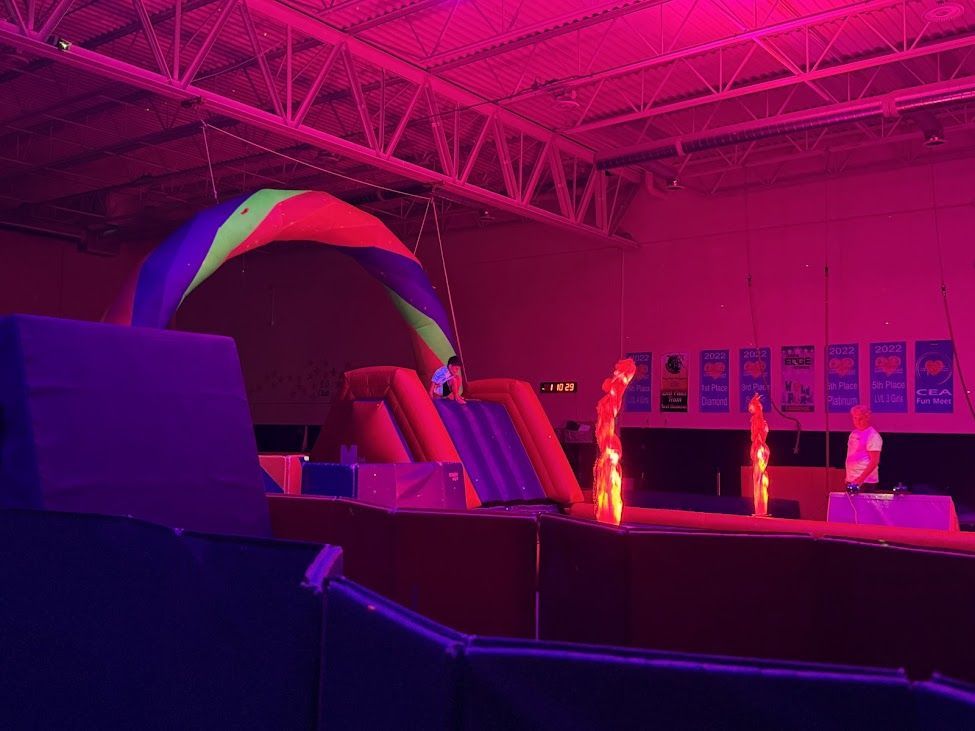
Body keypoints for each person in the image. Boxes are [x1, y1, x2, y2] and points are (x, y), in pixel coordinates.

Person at [846, 404, 882, 489]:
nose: (857, 421)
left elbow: (874, 461)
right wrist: (848, 477)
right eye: (855, 418)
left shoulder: (873, 436)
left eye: (860, 418)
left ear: (867, 418)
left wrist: (861, 479)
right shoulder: (853, 433)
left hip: (865, 482)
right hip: (852, 479)